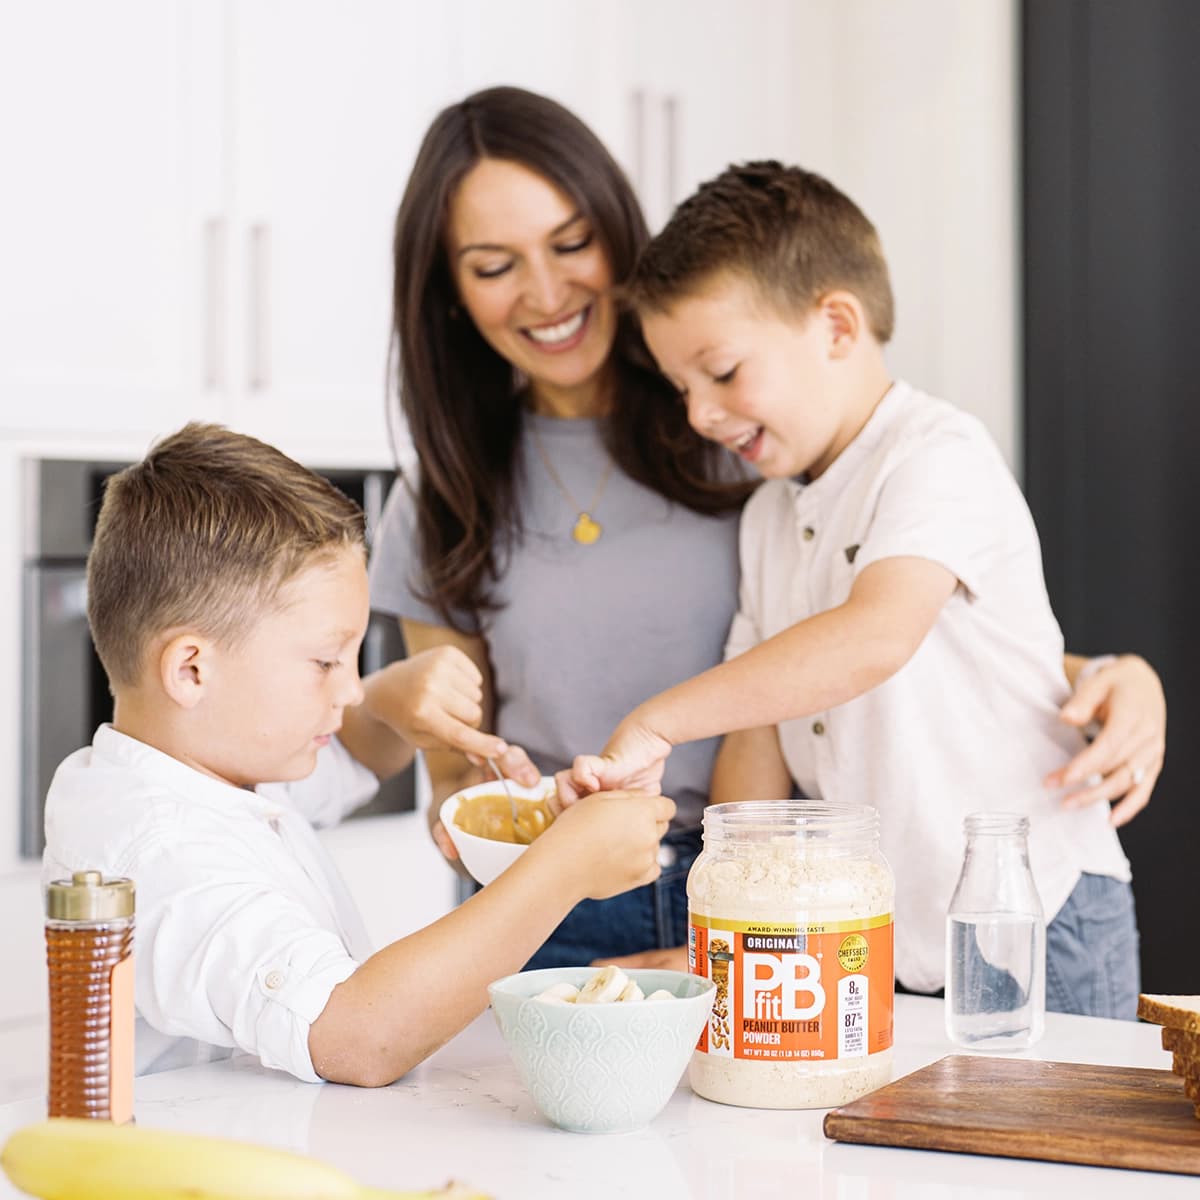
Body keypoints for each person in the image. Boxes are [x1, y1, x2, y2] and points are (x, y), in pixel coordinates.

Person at [367, 86, 1165, 972]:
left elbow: (890, 637)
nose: (547, 290)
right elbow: (779, 705)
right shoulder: (764, 483)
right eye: (492, 265)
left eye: (571, 243)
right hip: (673, 905)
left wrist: (1113, 674)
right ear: (446, 291)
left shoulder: (784, 446)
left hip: (953, 900)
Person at [564, 161, 1160, 1016]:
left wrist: (658, 719)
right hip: (888, 937)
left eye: (723, 372)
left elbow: (874, 638)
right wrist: (721, 915)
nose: (698, 414)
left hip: (1035, 916)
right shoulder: (770, 515)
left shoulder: (936, 454)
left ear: (837, 325)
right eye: (682, 387)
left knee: (1045, 1147)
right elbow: (759, 738)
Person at [40, 423, 673, 1087]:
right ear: (192, 671)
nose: (346, 689)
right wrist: (564, 866)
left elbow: (362, 753)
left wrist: (390, 700)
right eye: (325, 660)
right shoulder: (161, 855)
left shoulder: (208, 764)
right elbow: (357, 1040)